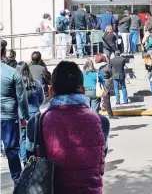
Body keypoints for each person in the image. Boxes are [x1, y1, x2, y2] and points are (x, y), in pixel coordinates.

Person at [26, 61, 109, 194]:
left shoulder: (35, 122)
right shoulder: (101, 121)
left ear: (51, 90)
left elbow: (29, 159)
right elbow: (101, 160)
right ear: (82, 90)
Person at [1, 44, 29, 184]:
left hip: (8, 115)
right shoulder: (12, 72)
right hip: (9, 118)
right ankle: (18, 183)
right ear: (4, 53)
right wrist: (24, 116)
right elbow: (21, 97)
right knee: (12, 151)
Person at [16, 61, 44, 165]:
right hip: (35, 114)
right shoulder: (36, 83)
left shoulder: (17, 85)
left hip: (21, 115)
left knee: (23, 140)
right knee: (36, 139)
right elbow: (41, 99)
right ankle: (35, 161)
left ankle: (25, 162)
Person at [95, 54, 118, 119]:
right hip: (105, 83)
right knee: (106, 100)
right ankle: (110, 115)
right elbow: (111, 74)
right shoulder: (107, 66)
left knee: (96, 100)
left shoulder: (95, 67)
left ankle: (96, 114)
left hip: (97, 83)